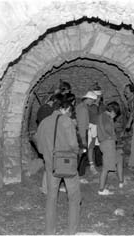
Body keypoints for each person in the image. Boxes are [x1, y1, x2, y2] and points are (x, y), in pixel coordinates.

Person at [36, 101, 81, 235]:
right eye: (70, 111)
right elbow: (73, 144)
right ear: (65, 108)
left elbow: (39, 147)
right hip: (67, 165)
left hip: (51, 165)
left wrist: (49, 156)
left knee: (51, 198)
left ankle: (50, 232)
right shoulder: (66, 121)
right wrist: (77, 151)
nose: (70, 114)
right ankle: (71, 231)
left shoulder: (43, 122)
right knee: (74, 198)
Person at [36, 93, 64, 195]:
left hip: (49, 142)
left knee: (51, 166)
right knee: (50, 167)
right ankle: (47, 189)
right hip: (48, 142)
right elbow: (46, 129)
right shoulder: (46, 111)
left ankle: (50, 187)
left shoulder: (47, 110)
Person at [96, 101, 124, 195]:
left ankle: (121, 182)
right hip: (107, 143)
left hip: (106, 143)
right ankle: (101, 189)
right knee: (106, 167)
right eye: (115, 114)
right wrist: (112, 137)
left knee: (119, 159)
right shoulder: (106, 118)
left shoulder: (102, 116)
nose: (115, 116)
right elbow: (108, 130)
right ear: (112, 111)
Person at [75, 91, 98, 178]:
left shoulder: (83, 107)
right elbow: (81, 124)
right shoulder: (83, 109)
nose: (93, 102)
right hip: (82, 132)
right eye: (92, 100)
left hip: (83, 131)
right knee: (83, 153)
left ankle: (81, 172)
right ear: (88, 99)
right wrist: (83, 138)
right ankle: (80, 173)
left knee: (83, 153)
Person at [87, 85, 105, 175]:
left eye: (99, 97)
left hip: (99, 127)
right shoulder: (90, 106)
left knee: (99, 145)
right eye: (97, 97)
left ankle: (99, 163)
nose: (98, 98)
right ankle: (91, 165)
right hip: (91, 127)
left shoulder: (101, 106)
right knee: (91, 146)